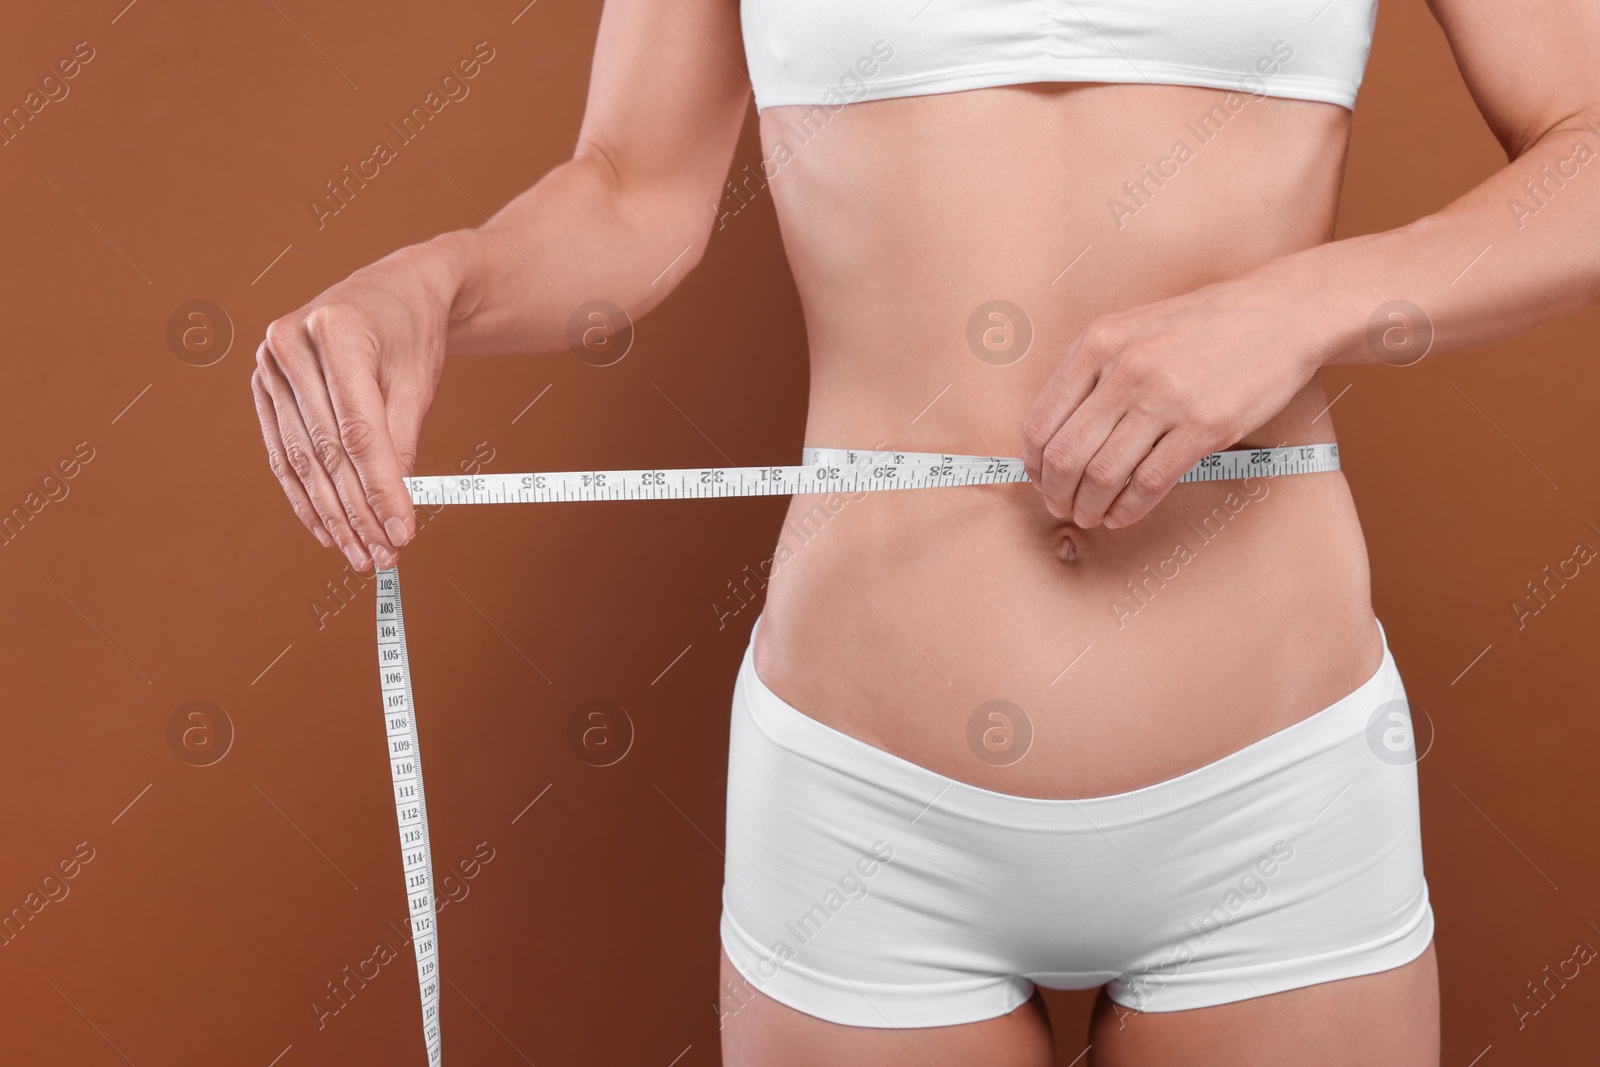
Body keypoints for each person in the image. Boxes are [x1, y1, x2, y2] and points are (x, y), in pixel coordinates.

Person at [250, 0, 1600, 1062]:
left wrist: (1300, 308)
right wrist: (433, 280)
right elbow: (629, 191)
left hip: (1273, 783)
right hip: (865, 797)